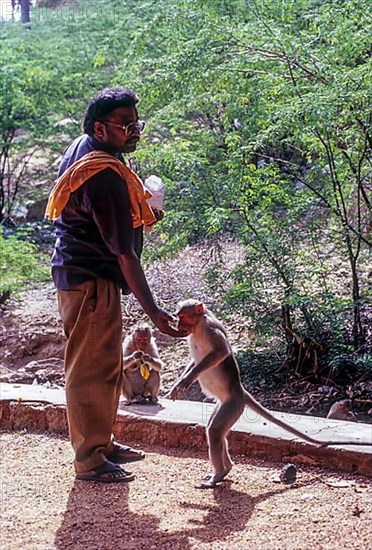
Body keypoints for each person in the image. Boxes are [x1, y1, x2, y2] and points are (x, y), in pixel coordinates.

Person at [45, 87, 183, 483]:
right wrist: (154, 311)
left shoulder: (86, 147)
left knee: (105, 367)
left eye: (137, 123)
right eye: (127, 126)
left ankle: (101, 443)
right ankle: (89, 459)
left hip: (82, 272)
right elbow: (125, 254)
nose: (135, 131)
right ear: (101, 129)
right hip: (90, 278)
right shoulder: (104, 175)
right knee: (89, 370)